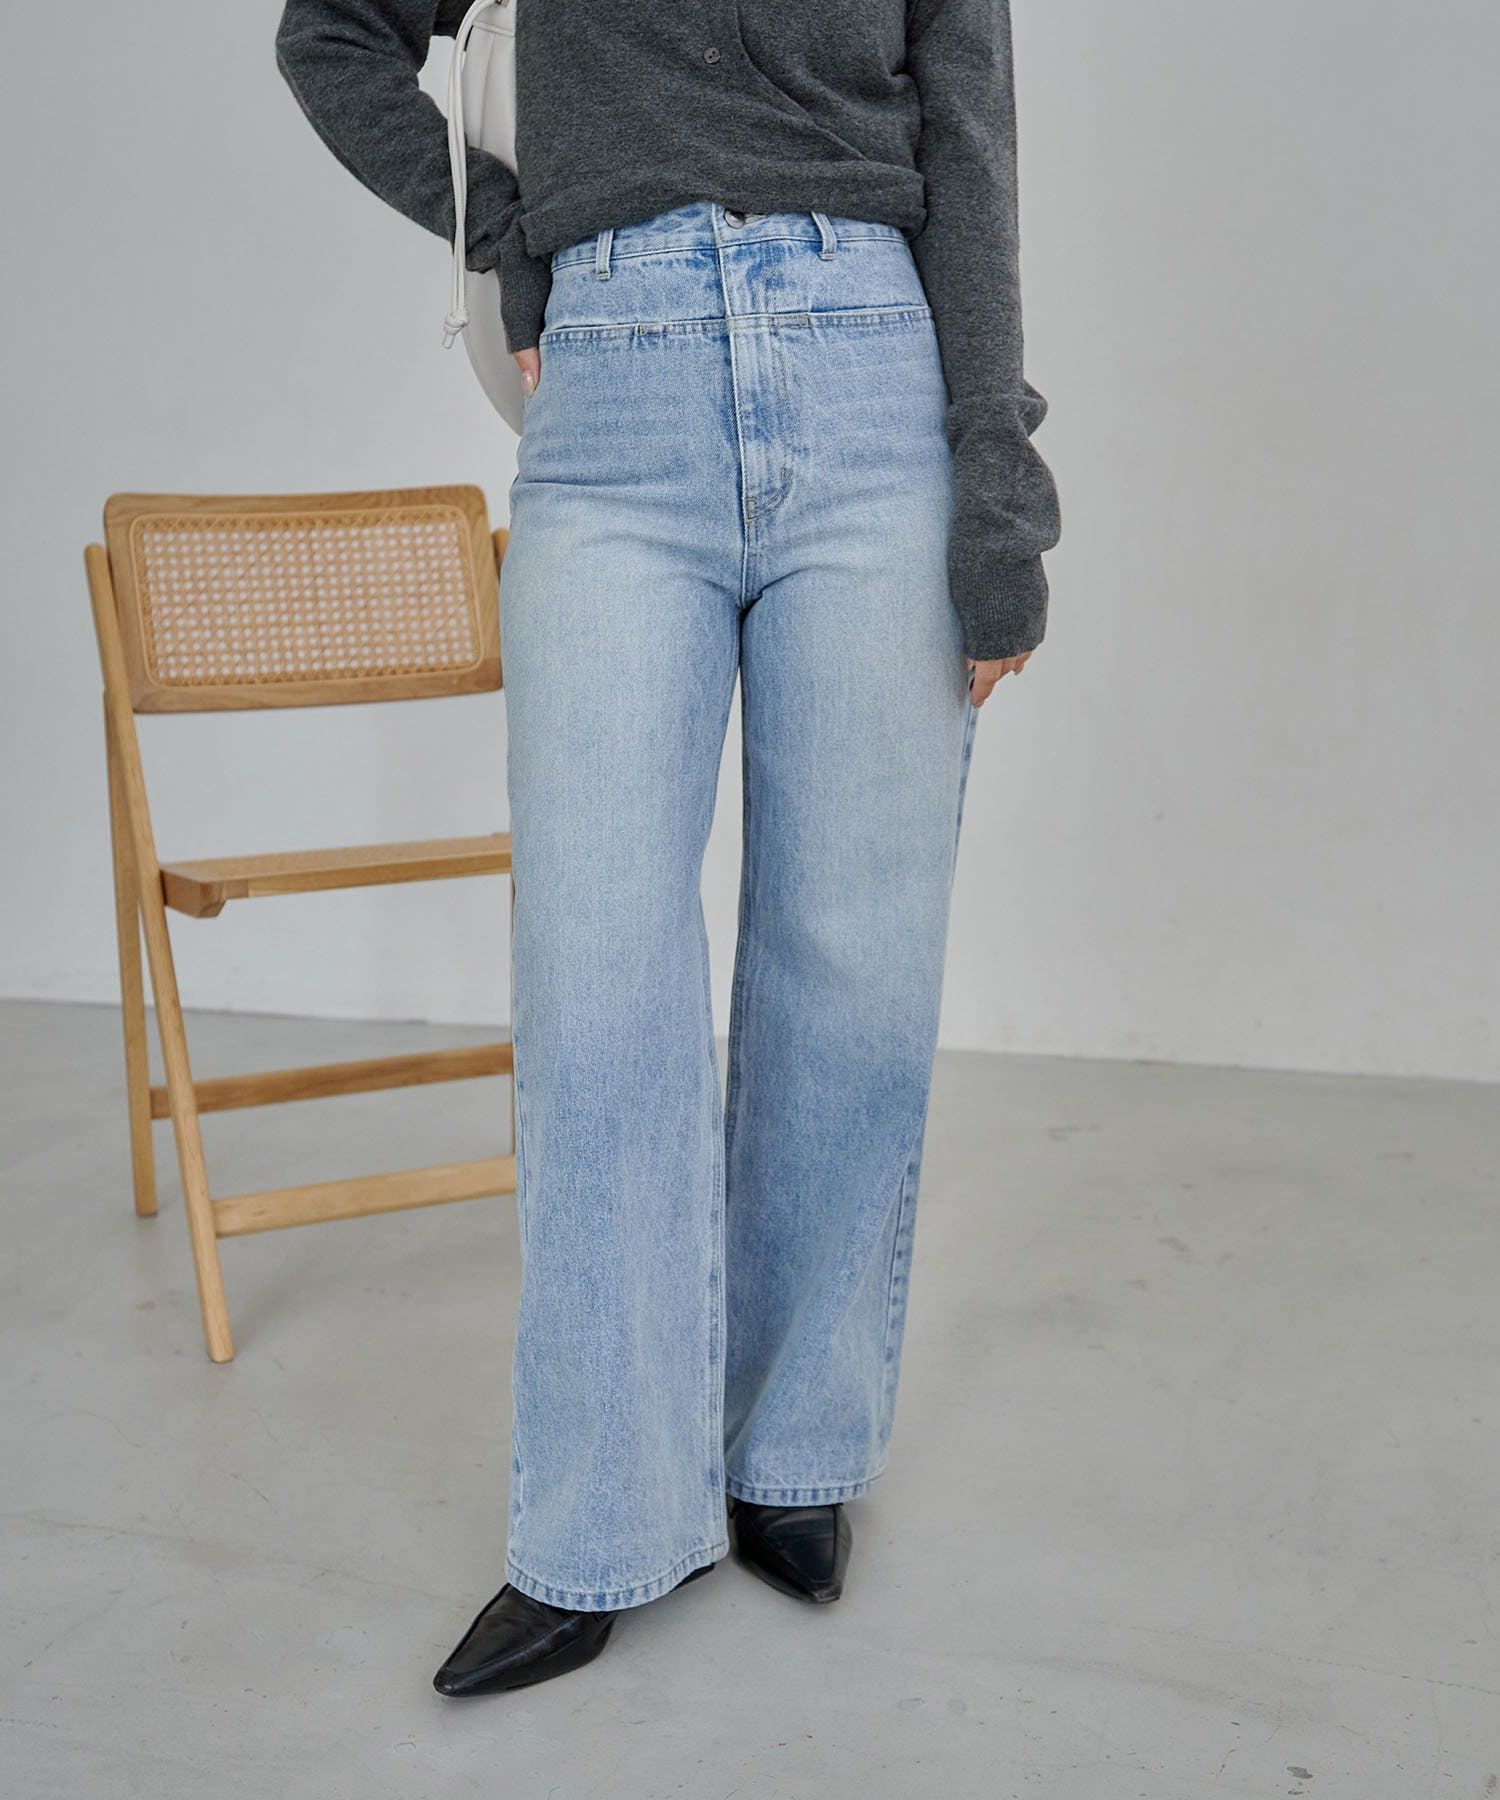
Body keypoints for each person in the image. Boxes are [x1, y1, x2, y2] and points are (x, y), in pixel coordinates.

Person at [275, 0, 1060, 1695]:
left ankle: (792, 1448)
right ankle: (601, 1521)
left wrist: (999, 495)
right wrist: (505, 232)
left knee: (852, 970)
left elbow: (971, 142)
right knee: (596, 981)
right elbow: (333, 33)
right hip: (614, 399)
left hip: (872, 378)